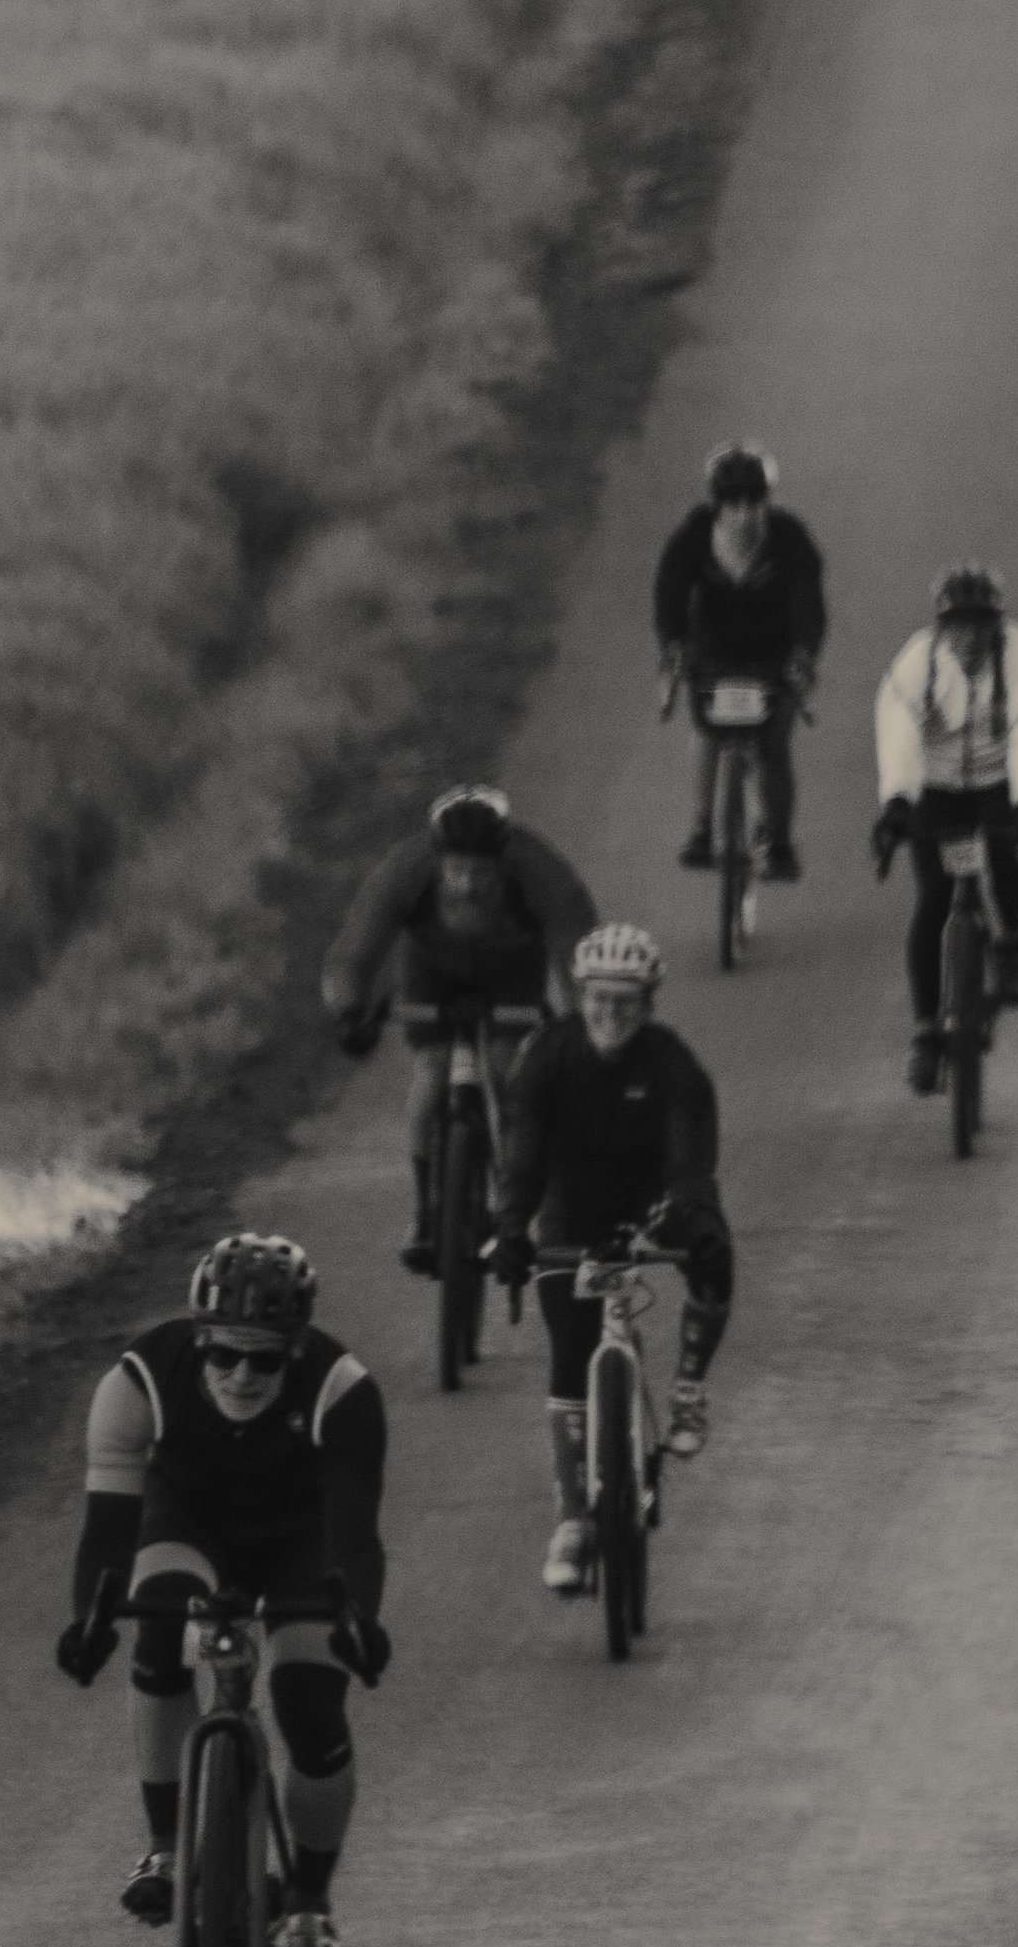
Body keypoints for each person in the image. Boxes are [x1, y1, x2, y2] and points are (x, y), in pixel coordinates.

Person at [55, 1232, 389, 1947]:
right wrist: (89, 1619)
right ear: (196, 1344)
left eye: (266, 1360)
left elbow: (354, 1536)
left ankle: (308, 1906)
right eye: (223, 1356)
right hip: (188, 1523)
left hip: (299, 1540)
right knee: (159, 1623)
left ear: (296, 1353)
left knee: (310, 1706)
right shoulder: (136, 1382)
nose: (242, 1375)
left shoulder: (342, 1391)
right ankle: (166, 1850)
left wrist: (360, 1620)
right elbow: (108, 1530)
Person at [486, 926, 734, 1595]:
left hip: (650, 1203)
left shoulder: (673, 1065)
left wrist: (696, 1223)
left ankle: (686, 1388)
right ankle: (570, 1520)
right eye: (598, 998)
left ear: (648, 1002)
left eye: (627, 1000)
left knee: (715, 1250)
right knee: (571, 1349)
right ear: (579, 996)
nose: (611, 1013)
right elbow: (524, 1154)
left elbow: (690, 1165)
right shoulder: (548, 1056)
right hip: (572, 1211)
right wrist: (511, 1228)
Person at [320, 785, 595, 1273]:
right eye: (455, 872)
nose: (467, 886)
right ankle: (426, 1212)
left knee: (508, 1071)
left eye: (481, 874)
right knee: (430, 1077)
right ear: (436, 860)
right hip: (432, 971)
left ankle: (512, 1206)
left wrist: (579, 1023)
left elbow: (576, 951)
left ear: (503, 861)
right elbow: (355, 951)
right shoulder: (405, 871)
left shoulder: (539, 871)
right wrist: (348, 1010)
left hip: (513, 971)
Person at [870, 565, 1018, 1097]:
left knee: (1005, 856)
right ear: (942, 629)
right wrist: (897, 805)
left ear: (998, 626)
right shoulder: (916, 665)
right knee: (933, 899)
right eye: (959, 627)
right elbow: (899, 737)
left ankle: (1013, 942)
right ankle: (926, 1033)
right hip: (935, 784)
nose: (970, 638)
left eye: (981, 626)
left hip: (998, 778)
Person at [651, 441, 828, 887]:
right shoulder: (693, 536)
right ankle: (700, 829)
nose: (744, 513)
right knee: (707, 729)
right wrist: (671, 645)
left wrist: (804, 655)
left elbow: (809, 603)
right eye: (733, 502)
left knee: (774, 744)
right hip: (711, 650)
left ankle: (781, 840)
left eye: (754, 501)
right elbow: (669, 592)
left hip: (774, 655)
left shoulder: (790, 539)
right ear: (717, 505)